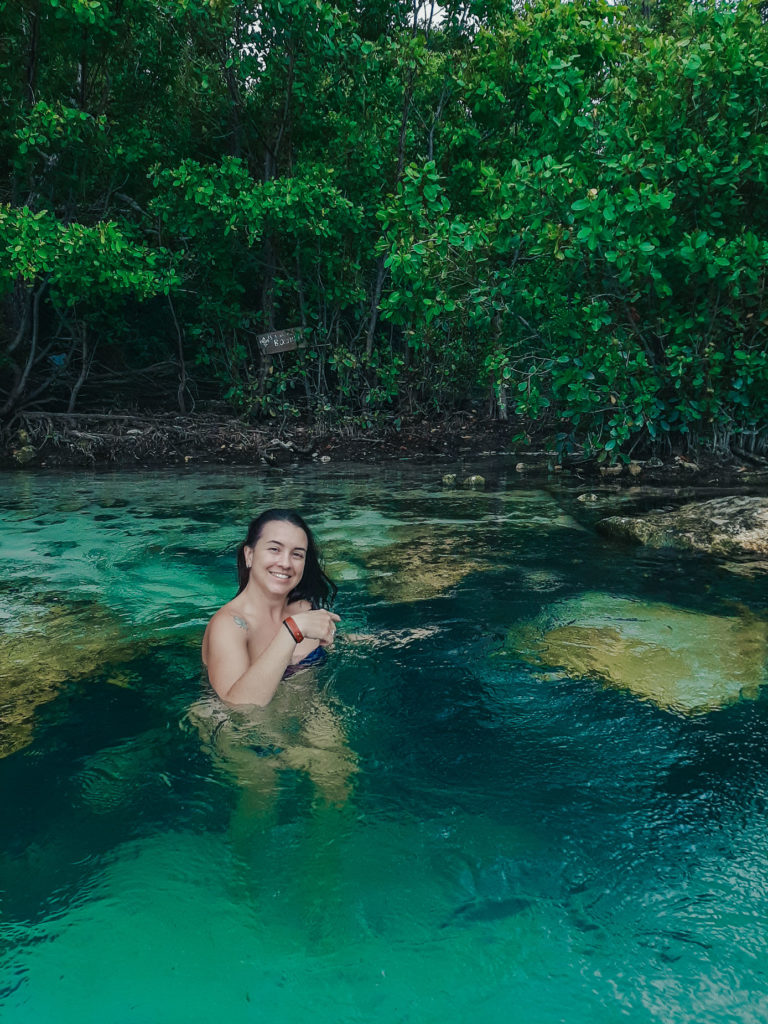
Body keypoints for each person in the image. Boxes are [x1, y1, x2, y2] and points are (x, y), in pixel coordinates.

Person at [202, 509, 340, 706]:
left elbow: (335, 646)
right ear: (249, 555)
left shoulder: (304, 608)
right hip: (249, 732)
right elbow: (239, 709)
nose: (285, 563)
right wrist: (291, 631)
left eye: (297, 554)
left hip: (310, 713)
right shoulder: (229, 625)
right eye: (274, 549)